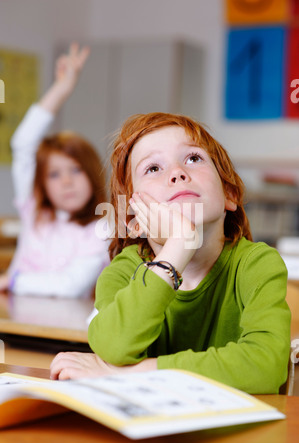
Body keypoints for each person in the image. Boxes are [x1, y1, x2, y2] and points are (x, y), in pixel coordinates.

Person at [50, 112, 291, 394]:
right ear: (134, 218)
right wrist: (179, 246)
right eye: (153, 168)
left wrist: (134, 374)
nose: (178, 173)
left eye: (193, 158)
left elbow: (265, 366)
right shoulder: (124, 270)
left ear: (229, 194)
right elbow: (114, 346)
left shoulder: (257, 263)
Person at [0, 44, 109, 298]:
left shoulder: (103, 227)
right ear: (42, 184)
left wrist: (14, 281)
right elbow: (23, 143)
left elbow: (69, 287)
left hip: (57, 330)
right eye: (54, 174)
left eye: (76, 170)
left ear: (92, 173)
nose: (67, 182)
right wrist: (62, 89)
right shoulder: (36, 210)